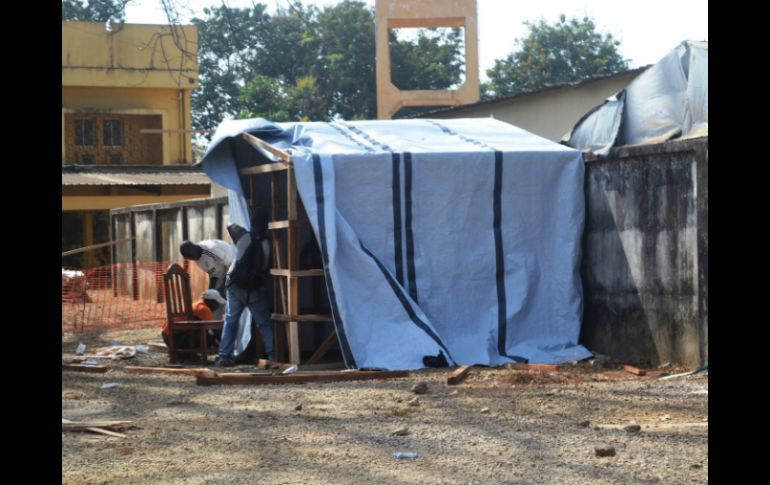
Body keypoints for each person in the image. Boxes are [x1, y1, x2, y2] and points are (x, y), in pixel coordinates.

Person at [214, 208, 273, 367]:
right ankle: (273, 356)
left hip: (235, 286)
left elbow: (229, 224)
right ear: (267, 225)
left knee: (231, 321)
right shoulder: (267, 244)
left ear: (252, 223)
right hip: (254, 289)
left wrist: (246, 208)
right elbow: (265, 267)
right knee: (265, 324)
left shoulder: (243, 236)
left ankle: (223, 356)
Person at [162, 288, 228, 358]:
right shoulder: (204, 309)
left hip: (168, 336)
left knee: (204, 333)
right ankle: (184, 353)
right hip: (175, 338)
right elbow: (216, 330)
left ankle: (185, 354)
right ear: (211, 301)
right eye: (217, 303)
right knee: (208, 339)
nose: (218, 306)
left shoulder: (197, 304)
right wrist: (224, 348)